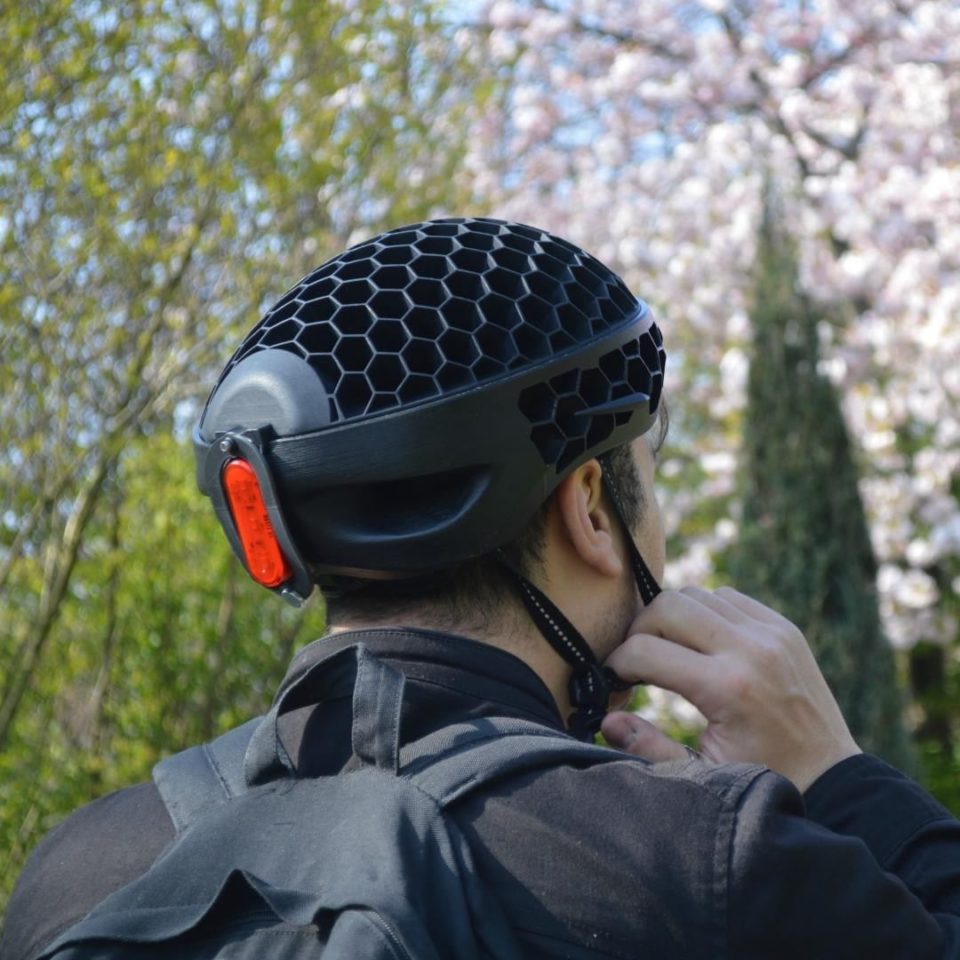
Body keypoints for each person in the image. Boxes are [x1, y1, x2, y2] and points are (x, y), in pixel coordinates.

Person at [3, 217, 959, 959]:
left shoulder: (75, 872)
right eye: (649, 467)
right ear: (589, 506)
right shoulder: (720, 869)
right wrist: (841, 779)